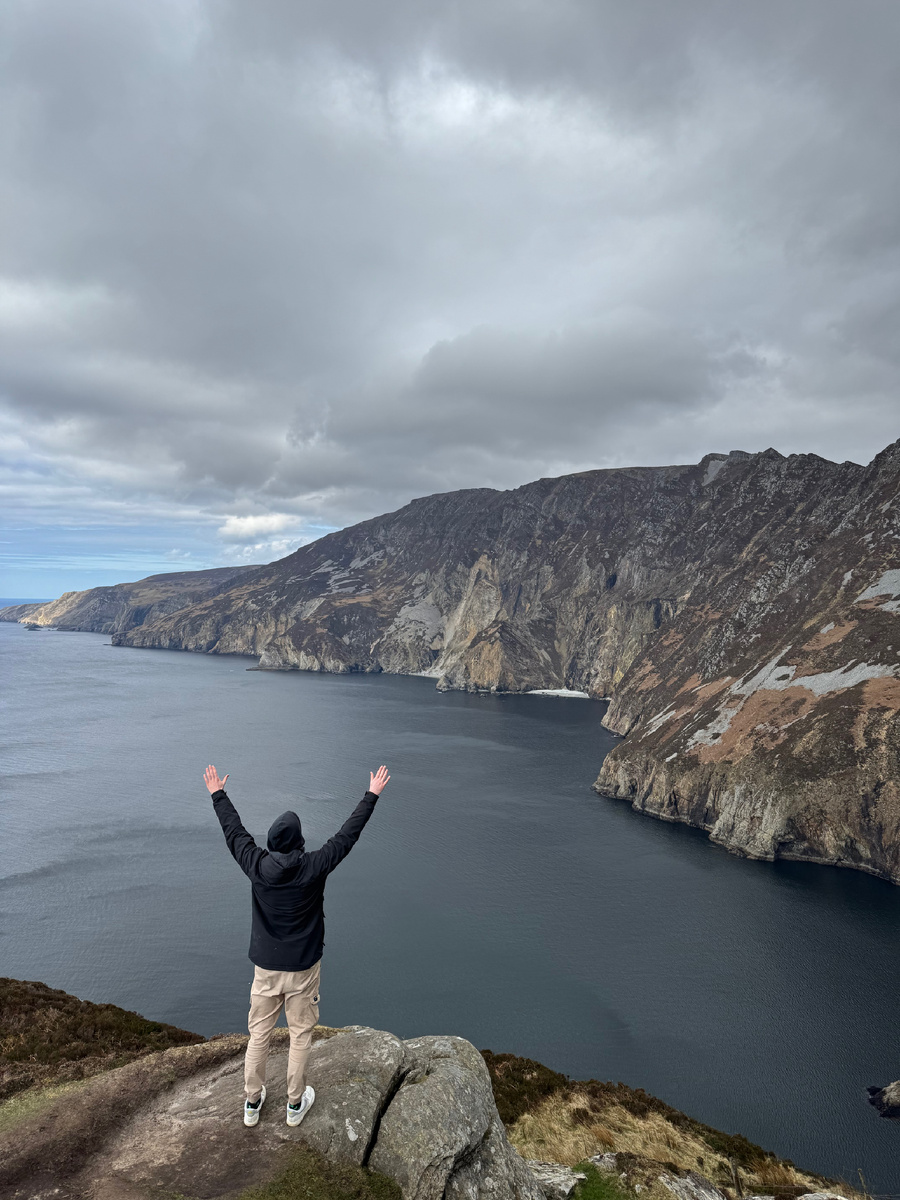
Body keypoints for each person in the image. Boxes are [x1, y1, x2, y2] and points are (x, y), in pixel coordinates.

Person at [203, 762, 390, 1128]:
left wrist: (218, 794)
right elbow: (347, 836)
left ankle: (252, 1103)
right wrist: (372, 795)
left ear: (271, 844)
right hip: (304, 967)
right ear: (300, 842)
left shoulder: (256, 865)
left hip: (266, 967)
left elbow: (234, 832)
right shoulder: (314, 866)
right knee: (300, 1034)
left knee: (258, 1034)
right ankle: (293, 1105)